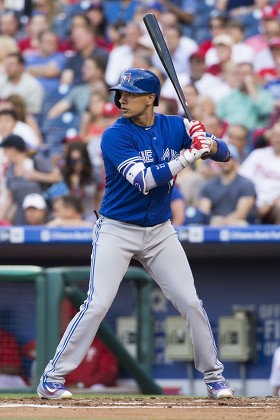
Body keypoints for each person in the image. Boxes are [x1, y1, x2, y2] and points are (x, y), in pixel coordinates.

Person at [37, 67, 234, 400]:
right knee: (97, 304)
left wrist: (209, 141)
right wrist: (188, 156)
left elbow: (227, 155)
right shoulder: (115, 135)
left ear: (151, 99)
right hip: (117, 229)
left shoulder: (175, 125)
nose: (122, 99)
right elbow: (143, 180)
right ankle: (52, 378)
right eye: (121, 93)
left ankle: (214, 377)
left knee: (190, 302)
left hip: (159, 232)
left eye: (130, 94)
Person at [196, 144, 257, 226]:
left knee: (240, 224)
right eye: (221, 158)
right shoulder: (208, 186)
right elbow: (204, 211)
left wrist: (222, 223)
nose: (224, 161)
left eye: (229, 158)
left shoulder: (246, 184)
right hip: (215, 222)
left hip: (237, 224)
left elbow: (241, 214)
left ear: (236, 161)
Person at [238, 121, 280, 224]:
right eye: (274, 135)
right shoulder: (258, 154)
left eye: (279, 136)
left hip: (274, 206)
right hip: (251, 201)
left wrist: (270, 203)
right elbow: (241, 178)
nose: (276, 139)